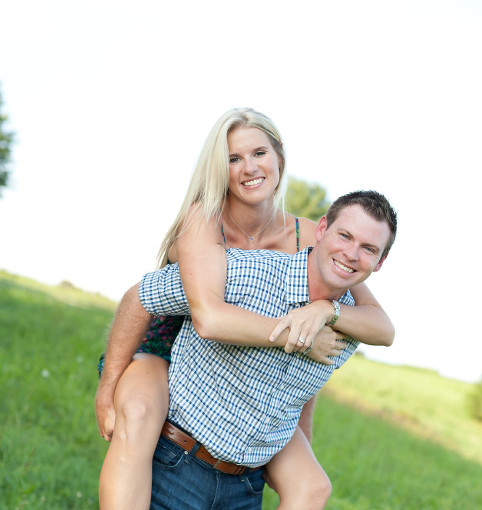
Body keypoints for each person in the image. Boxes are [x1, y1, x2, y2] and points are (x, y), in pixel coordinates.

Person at [96, 108, 395, 509]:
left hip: (249, 372)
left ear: (279, 158)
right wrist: (108, 385)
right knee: (135, 410)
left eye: (258, 154)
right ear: (219, 168)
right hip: (171, 345)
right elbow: (205, 317)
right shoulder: (205, 222)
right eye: (233, 159)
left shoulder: (310, 235)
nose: (248, 167)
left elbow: (375, 326)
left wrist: (325, 311)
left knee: (311, 485)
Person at [140, 190, 398, 509]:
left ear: (380, 261)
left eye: (369, 248)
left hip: (245, 487)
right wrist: (110, 382)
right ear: (321, 230)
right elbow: (140, 298)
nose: (352, 253)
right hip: (179, 466)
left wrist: (326, 310)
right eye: (345, 235)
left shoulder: (352, 325)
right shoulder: (248, 272)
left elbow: (304, 389)